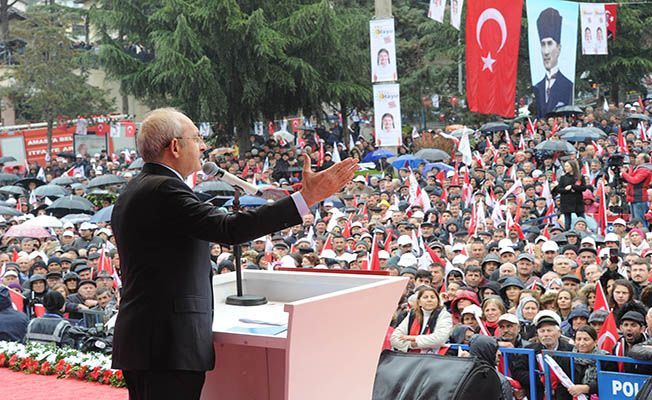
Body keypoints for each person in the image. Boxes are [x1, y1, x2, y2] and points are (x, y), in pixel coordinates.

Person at [110, 108, 358, 400]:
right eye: (197, 138)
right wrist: (307, 199)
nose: (203, 147)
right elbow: (230, 229)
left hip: (147, 339)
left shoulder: (138, 187)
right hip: (167, 345)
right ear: (175, 146)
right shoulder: (165, 190)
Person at [533, 7, 573, 118]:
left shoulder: (569, 86)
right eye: (543, 44)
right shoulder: (537, 87)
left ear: (559, 48)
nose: (546, 52)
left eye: (550, 43)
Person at [390, 286, 453, 352]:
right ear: (419, 302)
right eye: (425, 297)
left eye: (432, 297)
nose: (429, 300)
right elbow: (394, 339)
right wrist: (412, 345)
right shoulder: (412, 314)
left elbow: (439, 339)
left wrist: (413, 338)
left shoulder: (444, 315)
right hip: (411, 357)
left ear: (437, 301)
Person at [569, 325, 611, 397]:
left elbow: (609, 382)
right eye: (579, 339)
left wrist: (587, 388)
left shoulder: (606, 359)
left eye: (586, 339)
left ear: (595, 342)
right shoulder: (569, 358)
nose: (581, 343)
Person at [553, 160, 586, 231]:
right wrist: (567, 189)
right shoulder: (563, 177)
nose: (566, 168)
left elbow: (583, 188)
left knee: (581, 218)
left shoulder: (580, 177)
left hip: (577, 201)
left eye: (567, 166)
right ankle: (567, 232)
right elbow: (559, 189)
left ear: (572, 166)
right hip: (566, 202)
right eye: (565, 166)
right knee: (567, 220)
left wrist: (573, 187)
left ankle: (584, 230)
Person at [622, 153, 652, 224]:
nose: (636, 159)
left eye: (638, 158)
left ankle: (643, 234)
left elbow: (634, 180)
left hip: (639, 198)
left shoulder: (645, 170)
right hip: (634, 197)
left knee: (639, 222)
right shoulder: (638, 168)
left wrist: (624, 173)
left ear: (643, 160)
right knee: (634, 222)